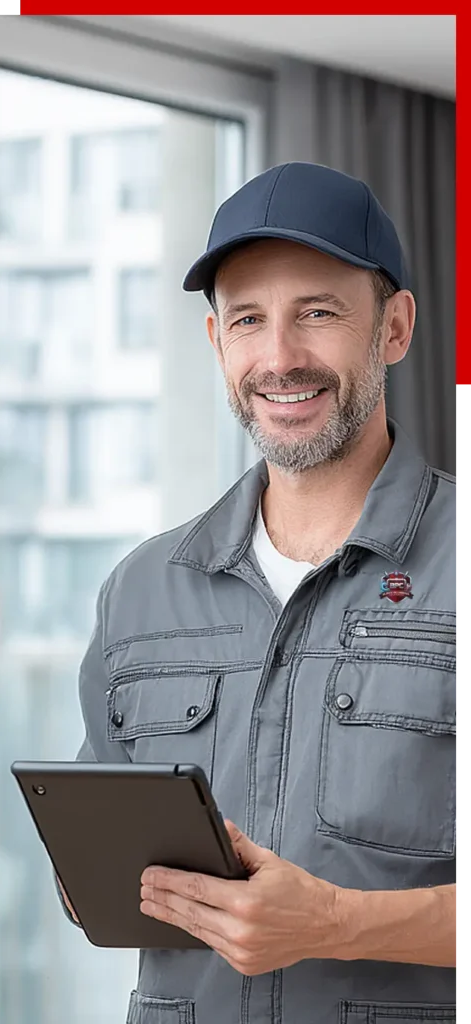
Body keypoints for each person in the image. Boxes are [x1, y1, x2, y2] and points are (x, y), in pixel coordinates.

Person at [61, 162, 460, 1023]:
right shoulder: (140, 591)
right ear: (215, 343)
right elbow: (94, 885)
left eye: (316, 312)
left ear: (392, 328)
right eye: (248, 320)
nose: (279, 358)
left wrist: (340, 922)